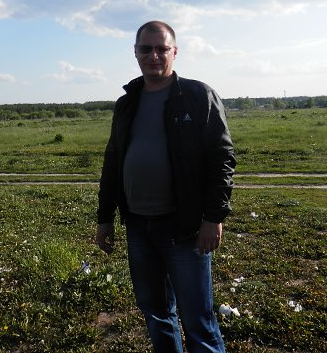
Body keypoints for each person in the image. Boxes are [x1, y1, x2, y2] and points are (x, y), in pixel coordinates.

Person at [96, 21, 236, 352]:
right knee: (157, 313)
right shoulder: (127, 103)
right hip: (138, 226)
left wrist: (213, 217)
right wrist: (105, 218)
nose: (154, 55)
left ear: (175, 52)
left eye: (162, 49)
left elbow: (222, 159)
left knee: (198, 321)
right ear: (135, 52)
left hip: (184, 227)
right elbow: (113, 161)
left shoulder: (197, 96)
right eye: (146, 49)